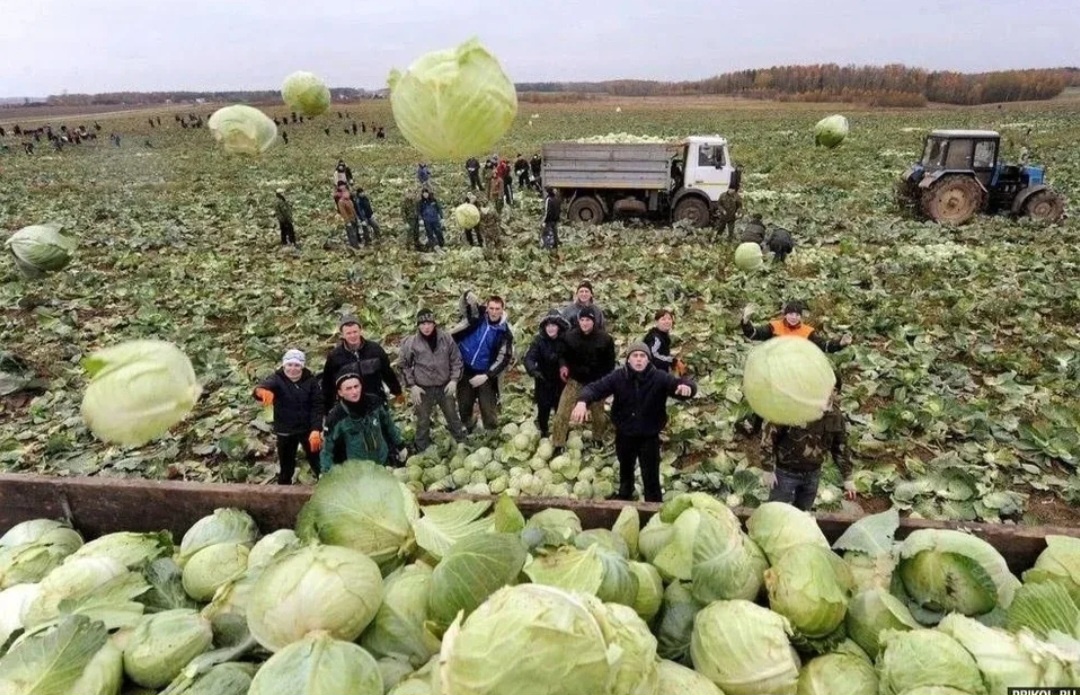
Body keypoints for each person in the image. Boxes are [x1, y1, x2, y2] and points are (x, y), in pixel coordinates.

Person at [573, 342, 697, 502]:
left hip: (649, 436)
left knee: (650, 476)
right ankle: (625, 494)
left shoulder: (659, 377)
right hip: (625, 434)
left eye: (642, 356)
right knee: (625, 469)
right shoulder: (618, 377)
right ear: (629, 359)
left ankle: (653, 505)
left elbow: (681, 386)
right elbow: (594, 388)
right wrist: (583, 401)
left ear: (648, 360)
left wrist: (687, 388)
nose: (638, 359)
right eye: (635, 356)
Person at [761, 375, 855, 511]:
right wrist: (767, 469)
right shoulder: (794, 408)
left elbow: (840, 447)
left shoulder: (835, 416)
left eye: (832, 389)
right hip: (786, 473)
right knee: (776, 511)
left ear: (836, 392)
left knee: (803, 513)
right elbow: (769, 436)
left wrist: (848, 477)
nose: (827, 392)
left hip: (813, 474)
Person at [399, 310, 467, 452]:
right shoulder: (411, 343)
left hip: (444, 386)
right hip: (423, 388)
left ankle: (461, 442)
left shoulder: (446, 338)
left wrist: (454, 380)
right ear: (418, 326)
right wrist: (412, 386)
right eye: (422, 324)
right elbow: (403, 365)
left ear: (434, 323)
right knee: (423, 420)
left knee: (452, 415)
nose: (426, 327)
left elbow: (457, 360)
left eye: (429, 323)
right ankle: (421, 448)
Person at [254, 350, 323, 484]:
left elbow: (318, 406)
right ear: (284, 365)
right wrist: (260, 391)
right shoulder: (277, 379)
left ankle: (326, 484)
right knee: (286, 467)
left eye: (297, 365)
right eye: (289, 364)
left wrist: (316, 429)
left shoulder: (311, 381)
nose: (293, 369)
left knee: (317, 460)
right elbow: (265, 386)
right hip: (285, 431)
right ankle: (283, 492)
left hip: (307, 430)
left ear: (302, 366)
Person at [551, 306, 615, 452]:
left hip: (596, 383)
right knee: (562, 413)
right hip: (575, 381)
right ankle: (558, 443)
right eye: (582, 320)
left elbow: (610, 364)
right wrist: (563, 366)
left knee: (599, 416)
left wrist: (606, 385)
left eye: (588, 320)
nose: (585, 323)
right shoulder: (570, 337)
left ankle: (597, 439)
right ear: (579, 321)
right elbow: (562, 355)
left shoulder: (605, 339)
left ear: (594, 321)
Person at [321, 369, 407, 471]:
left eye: (356, 386)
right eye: (348, 388)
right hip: (359, 468)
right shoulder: (336, 417)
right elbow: (327, 448)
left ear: (361, 386)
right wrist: (326, 472)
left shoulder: (375, 402)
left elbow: (389, 424)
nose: (354, 391)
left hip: (382, 460)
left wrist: (400, 445)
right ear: (340, 392)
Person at [452, 293, 514, 433]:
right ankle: (469, 424)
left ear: (502, 310)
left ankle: (491, 433)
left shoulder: (505, 333)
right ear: (487, 308)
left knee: (488, 409)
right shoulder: (477, 316)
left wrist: (486, 376)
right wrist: (467, 294)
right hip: (465, 369)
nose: (494, 312)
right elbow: (464, 306)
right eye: (491, 308)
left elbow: (504, 358)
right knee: (464, 405)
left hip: (485, 373)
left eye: (497, 309)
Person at [321, 313, 403, 414]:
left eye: (355, 332)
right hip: (350, 406)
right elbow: (328, 385)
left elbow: (387, 373)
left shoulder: (375, 349)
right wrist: (327, 410)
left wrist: (397, 392)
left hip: (376, 400)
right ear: (342, 335)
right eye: (348, 333)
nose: (352, 336)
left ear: (361, 330)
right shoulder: (335, 356)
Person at [524, 310, 570, 438]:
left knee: (560, 410)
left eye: (553, 325)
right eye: (548, 325)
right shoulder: (539, 341)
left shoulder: (567, 340)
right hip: (543, 379)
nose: (550, 328)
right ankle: (544, 431)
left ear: (559, 327)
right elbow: (529, 357)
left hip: (562, 381)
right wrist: (533, 370)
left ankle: (561, 434)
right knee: (543, 409)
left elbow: (573, 357)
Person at [740, 301, 852, 352]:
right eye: (791, 314)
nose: (794, 317)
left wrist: (840, 343)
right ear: (785, 315)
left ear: (800, 317)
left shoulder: (808, 332)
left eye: (797, 315)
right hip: (774, 367)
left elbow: (824, 346)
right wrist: (746, 322)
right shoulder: (774, 327)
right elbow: (753, 334)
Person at [642, 309, 687, 374]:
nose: (667, 321)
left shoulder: (663, 336)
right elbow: (654, 356)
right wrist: (674, 361)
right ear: (656, 322)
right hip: (652, 376)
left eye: (669, 319)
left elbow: (662, 355)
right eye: (663, 319)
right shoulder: (655, 338)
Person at [335, 182, 362, 248]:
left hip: (353, 218)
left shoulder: (349, 200)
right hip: (349, 219)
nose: (346, 192)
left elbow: (353, 209)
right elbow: (344, 213)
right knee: (351, 233)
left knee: (355, 232)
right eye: (344, 191)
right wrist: (347, 222)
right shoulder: (341, 202)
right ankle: (355, 246)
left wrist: (356, 217)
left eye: (346, 191)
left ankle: (356, 244)